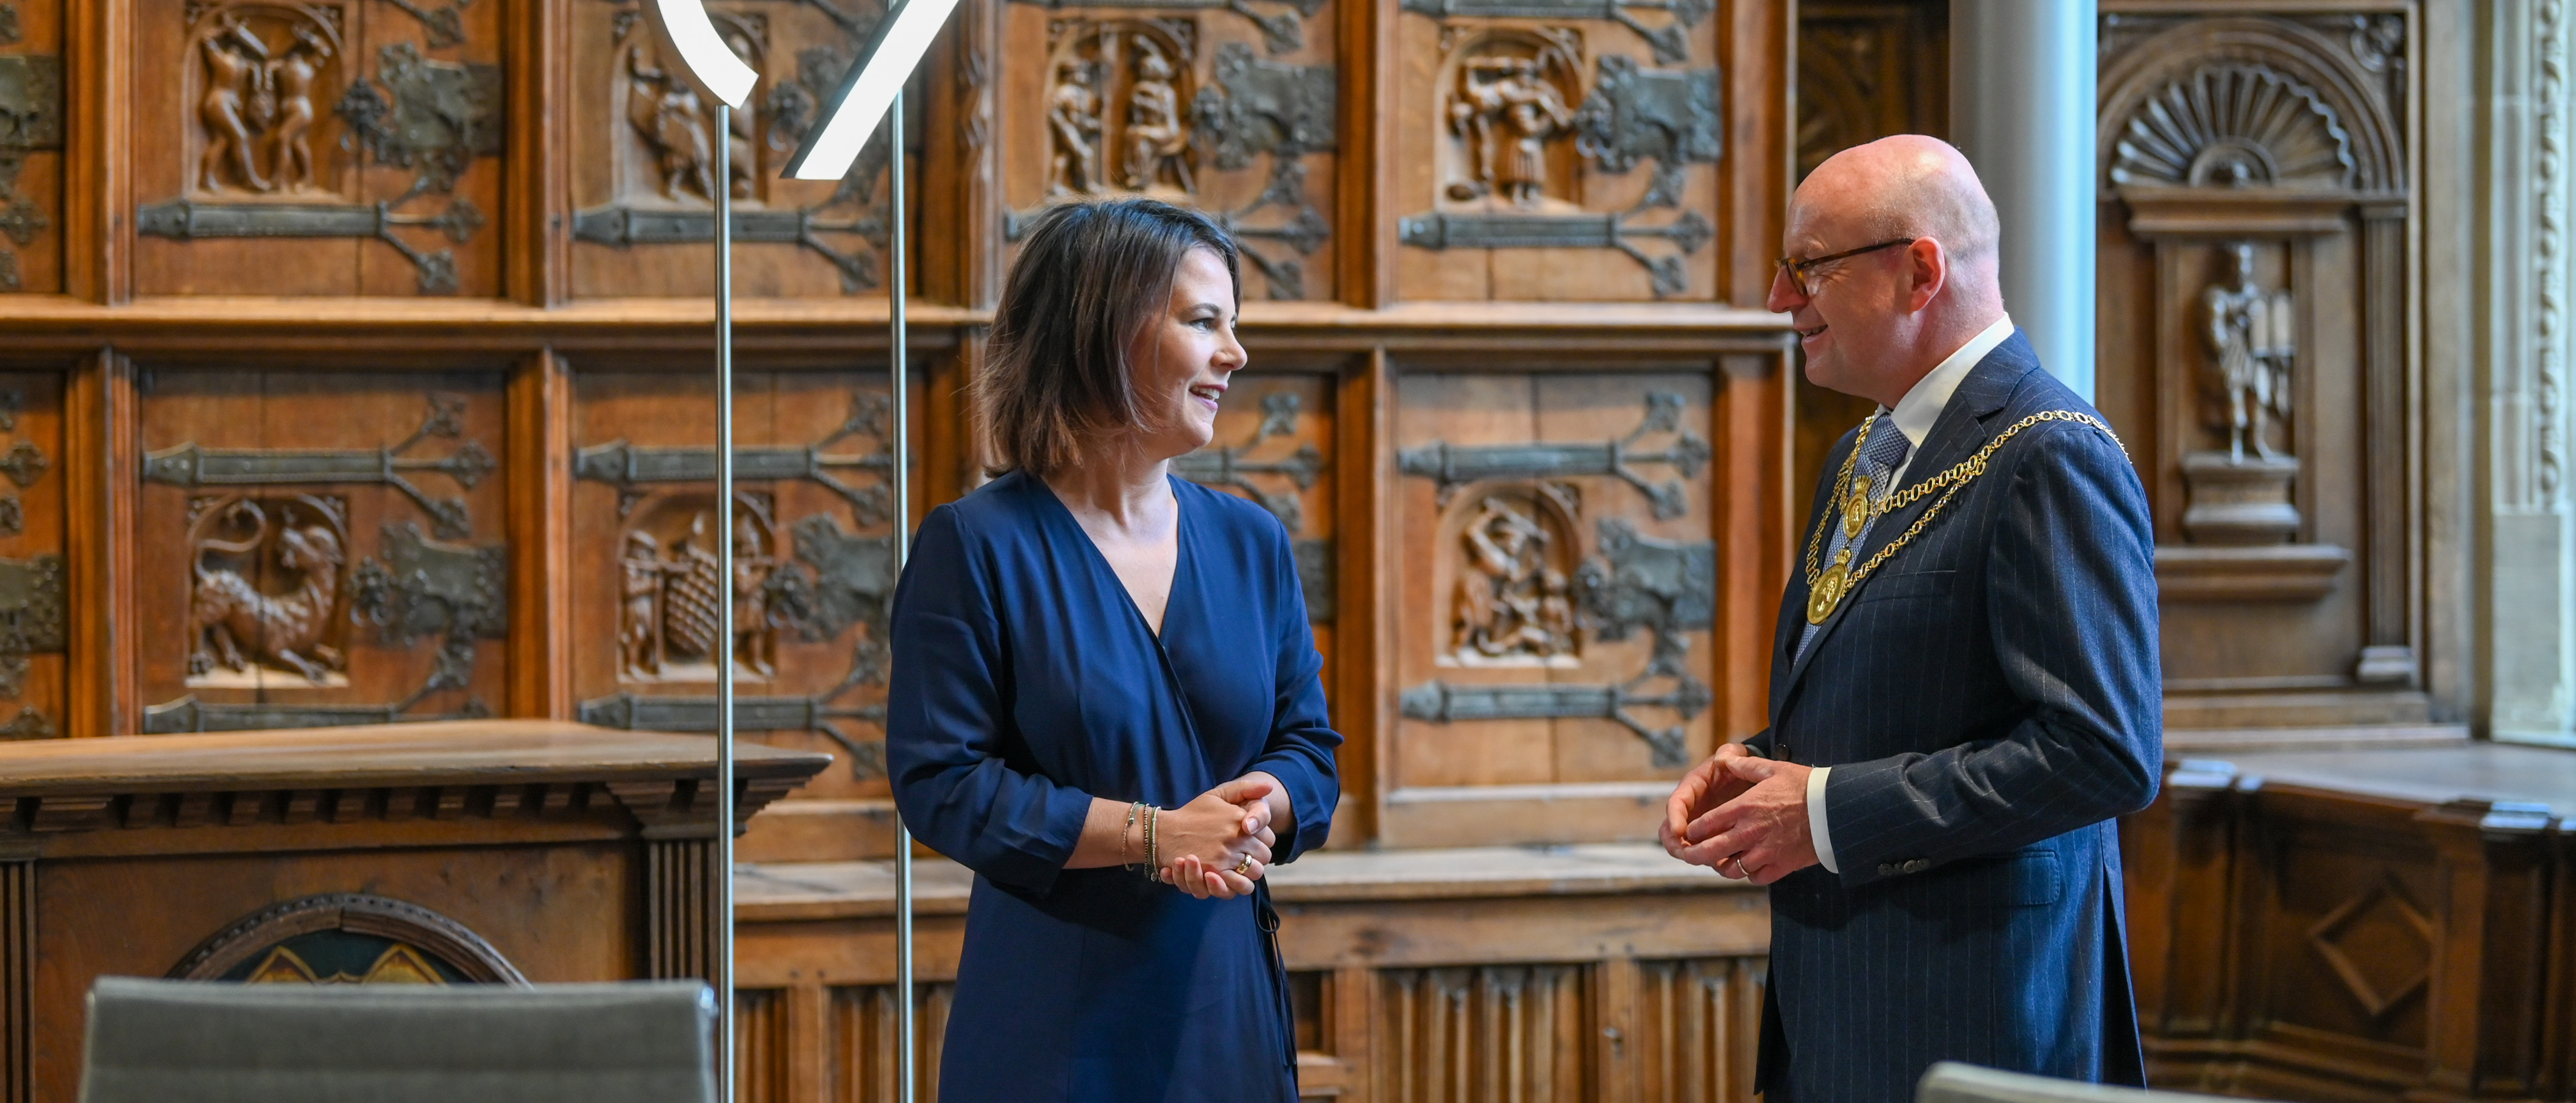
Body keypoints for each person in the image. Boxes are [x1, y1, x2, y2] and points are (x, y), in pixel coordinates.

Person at [1660, 135, 2161, 1101]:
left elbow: (2103, 751)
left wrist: (1820, 812)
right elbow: (1923, 697)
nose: (1779, 299)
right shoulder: (1863, 457)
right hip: (1847, 1003)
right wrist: (1766, 765)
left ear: (1919, 271)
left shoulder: (2049, 454)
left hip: (1975, 1013)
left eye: (1808, 266)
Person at [887, 197, 1339, 1102]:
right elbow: (943, 785)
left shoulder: (1252, 541)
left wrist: (1263, 809)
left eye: (1233, 326)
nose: (1234, 354)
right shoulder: (976, 546)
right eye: (1204, 322)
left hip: (1227, 1011)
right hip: (1057, 1021)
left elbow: (1311, 750)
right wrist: (1157, 833)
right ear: (1106, 327)